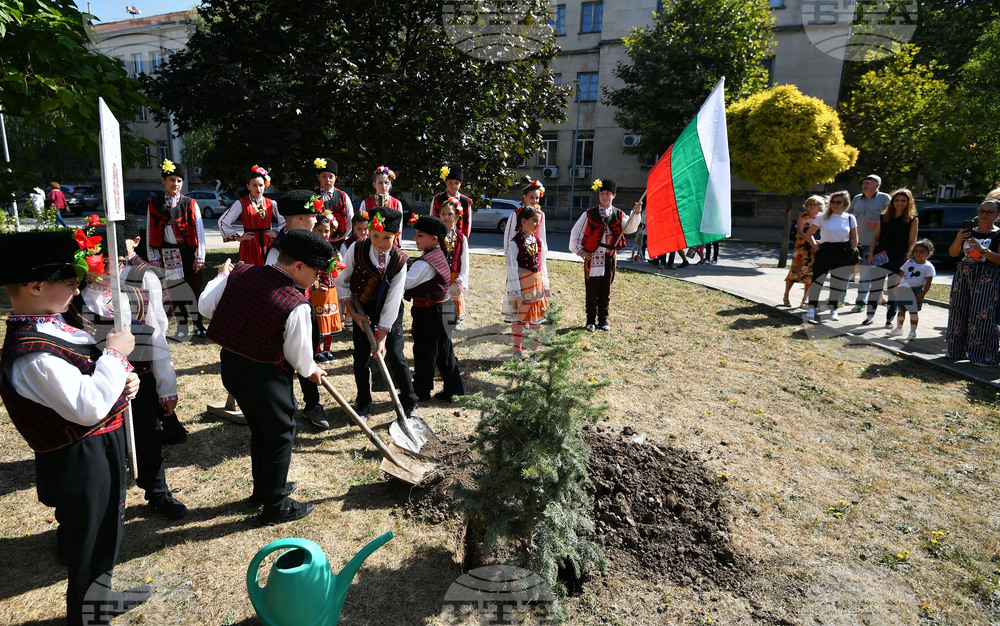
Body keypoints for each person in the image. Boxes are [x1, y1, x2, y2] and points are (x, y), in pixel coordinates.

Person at [0, 231, 148, 626]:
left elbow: (95, 378)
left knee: (105, 532)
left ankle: (99, 599)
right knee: (92, 539)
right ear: (35, 286)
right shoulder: (33, 355)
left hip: (95, 446)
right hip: (79, 456)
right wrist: (116, 355)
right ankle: (88, 616)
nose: (77, 287)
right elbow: (88, 406)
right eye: (70, 280)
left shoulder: (53, 325)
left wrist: (123, 379)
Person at [199, 229, 333, 524]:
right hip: (266, 378)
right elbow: (299, 357)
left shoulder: (241, 273)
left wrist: (221, 276)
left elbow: (205, 307)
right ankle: (276, 505)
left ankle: (265, 490)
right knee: (280, 434)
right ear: (298, 266)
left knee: (261, 430)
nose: (319, 279)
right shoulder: (295, 304)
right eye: (316, 272)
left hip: (233, 370)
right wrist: (312, 371)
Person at [67, 221, 187, 521]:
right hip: (96, 386)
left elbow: (157, 338)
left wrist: (166, 385)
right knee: (103, 450)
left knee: (149, 438)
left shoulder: (136, 294)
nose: (115, 270)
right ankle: (104, 507)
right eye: (107, 263)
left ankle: (157, 491)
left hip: (141, 380)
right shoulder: (73, 302)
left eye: (120, 263)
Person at [334, 207, 420, 420]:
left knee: (395, 353)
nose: (380, 242)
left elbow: (393, 301)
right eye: (375, 236)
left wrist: (381, 338)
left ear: (397, 236)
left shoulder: (400, 261)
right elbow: (341, 280)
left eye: (387, 238)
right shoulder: (357, 248)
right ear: (369, 231)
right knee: (361, 357)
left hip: (389, 311)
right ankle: (363, 403)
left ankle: (409, 401)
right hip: (361, 308)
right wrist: (353, 314)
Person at [119, 213, 188, 445]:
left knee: (147, 399)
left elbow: (156, 325)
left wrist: (167, 385)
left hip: (141, 355)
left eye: (122, 240)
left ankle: (168, 427)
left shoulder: (144, 274)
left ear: (135, 241)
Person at [266, 189, 328, 429]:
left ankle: (312, 405)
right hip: (283, 310)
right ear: (301, 218)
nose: (316, 219)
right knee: (285, 359)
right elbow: (273, 280)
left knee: (307, 352)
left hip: (302, 305)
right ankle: (286, 407)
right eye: (313, 215)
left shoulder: (306, 239)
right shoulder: (279, 247)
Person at [568, 178, 641, 331]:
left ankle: (603, 320)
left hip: (609, 256)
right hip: (593, 256)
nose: (604, 196)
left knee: (605, 290)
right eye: (602, 193)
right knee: (592, 290)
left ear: (614, 195)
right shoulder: (589, 214)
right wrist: (579, 251)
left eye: (607, 193)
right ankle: (590, 320)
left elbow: (629, 229)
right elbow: (576, 232)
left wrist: (636, 213)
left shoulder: (618, 214)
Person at [405, 215, 464, 402]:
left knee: (424, 353)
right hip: (445, 308)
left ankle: (421, 390)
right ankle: (454, 389)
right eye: (415, 234)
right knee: (445, 352)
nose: (415, 238)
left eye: (420, 235)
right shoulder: (438, 254)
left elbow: (404, 283)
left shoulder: (425, 263)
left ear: (434, 239)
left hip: (430, 313)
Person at [146, 159, 207, 339]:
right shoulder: (155, 204)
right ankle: (182, 326)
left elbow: (199, 229)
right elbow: (151, 229)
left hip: (188, 252)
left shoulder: (190, 203)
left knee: (195, 289)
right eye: (172, 180)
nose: (176, 184)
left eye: (179, 180)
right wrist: (154, 258)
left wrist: (200, 256)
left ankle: (198, 324)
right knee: (176, 291)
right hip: (167, 252)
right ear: (163, 181)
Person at [946, 199, 1000, 366]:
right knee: (958, 310)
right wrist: (957, 239)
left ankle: (983, 356)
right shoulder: (968, 231)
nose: (984, 215)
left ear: (997, 215)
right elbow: (953, 253)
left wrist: (982, 249)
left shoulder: (998, 234)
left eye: (989, 212)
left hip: (987, 275)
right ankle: (956, 350)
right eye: (981, 211)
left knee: (981, 314)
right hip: (964, 273)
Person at [863, 188, 919, 326]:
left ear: (909, 202)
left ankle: (889, 319)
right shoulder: (883, 217)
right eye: (897, 200)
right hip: (880, 256)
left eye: (903, 201)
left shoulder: (912, 220)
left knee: (893, 290)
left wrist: (910, 258)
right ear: (892, 202)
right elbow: (876, 236)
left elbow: (913, 241)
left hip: (899, 258)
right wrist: (870, 254)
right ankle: (869, 316)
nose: (899, 203)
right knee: (875, 288)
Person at [503, 207, 550, 359]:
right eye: (534, 221)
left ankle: (534, 351)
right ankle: (517, 350)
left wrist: (545, 285)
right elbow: (511, 268)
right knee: (518, 318)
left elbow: (542, 264)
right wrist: (516, 291)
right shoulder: (514, 243)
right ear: (523, 221)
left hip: (536, 285)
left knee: (536, 319)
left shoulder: (538, 241)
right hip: (521, 285)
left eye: (538, 221)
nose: (537, 224)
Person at [804, 190, 858, 322]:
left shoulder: (850, 218)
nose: (835, 204)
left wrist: (852, 251)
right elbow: (809, 234)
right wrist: (817, 248)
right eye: (833, 202)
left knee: (837, 282)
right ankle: (812, 308)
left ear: (845, 203)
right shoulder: (823, 217)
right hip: (825, 250)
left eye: (838, 202)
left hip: (842, 251)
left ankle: (833, 309)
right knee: (818, 280)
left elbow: (854, 237)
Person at [218, 166, 284, 266]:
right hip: (250, 243)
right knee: (251, 272)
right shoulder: (241, 203)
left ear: (265, 185)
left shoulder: (271, 203)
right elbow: (223, 221)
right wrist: (238, 237)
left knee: (270, 271)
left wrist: (277, 234)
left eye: (261, 185)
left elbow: (284, 220)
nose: (258, 188)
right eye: (254, 185)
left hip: (268, 243)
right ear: (248, 186)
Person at [849, 174, 892, 312]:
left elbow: (891, 219)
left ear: (877, 185)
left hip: (874, 245)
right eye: (864, 181)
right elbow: (849, 216)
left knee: (866, 275)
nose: (865, 183)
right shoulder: (856, 198)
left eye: (869, 181)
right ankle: (839, 299)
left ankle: (860, 303)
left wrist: (876, 223)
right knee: (851, 272)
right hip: (855, 243)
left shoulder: (884, 198)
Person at [311, 214, 344, 363]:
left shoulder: (331, 248)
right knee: (318, 321)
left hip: (330, 288)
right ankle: (317, 351)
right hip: (317, 290)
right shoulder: (312, 249)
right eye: (320, 231)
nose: (324, 234)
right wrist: (316, 286)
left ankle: (327, 350)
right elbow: (310, 270)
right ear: (313, 230)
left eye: (327, 231)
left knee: (329, 319)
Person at [887, 239, 935, 341]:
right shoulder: (909, 262)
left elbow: (928, 282)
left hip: (916, 291)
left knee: (913, 312)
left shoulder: (928, 267)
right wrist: (896, 287)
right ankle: (899, 329)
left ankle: (912, 332)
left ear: (929, 253)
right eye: (916, 251)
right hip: (903, 290)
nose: (918, 254)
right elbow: (900, 275)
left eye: (922, 252)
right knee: (901, 310)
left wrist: (922, 294)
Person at [783, 195, 824, 308]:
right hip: (801, 249)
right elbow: (800, 232)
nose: (811, 206)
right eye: (810, 204)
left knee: (809, 275)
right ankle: (786, 295)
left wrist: (818, 243)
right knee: (794, 272)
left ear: (819, 206)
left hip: (815, 249)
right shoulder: (802, 216)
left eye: (814, 204)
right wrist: (813, 243)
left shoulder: (822, 218)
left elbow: (824, 233)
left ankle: (804, 300)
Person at [438, 197, 469, 328]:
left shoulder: (462, 238)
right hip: (440, 275)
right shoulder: (436, 236)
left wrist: (459, 281)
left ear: (457, 216)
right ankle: (440, 320)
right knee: (441, 298)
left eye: (450, 214)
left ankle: (454, 321)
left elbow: (465, 262)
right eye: (443, 213)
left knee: (454, 297)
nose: (446, 217)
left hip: (455, 275)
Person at [313, 157, 355, 248]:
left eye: (330, 177)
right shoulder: (312, 196)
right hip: (316, 242)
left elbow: (350, 220)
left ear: (335, 178)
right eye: (324, 176)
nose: (327, 180)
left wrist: (342, 237)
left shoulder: (343, 196)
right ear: (318, 177)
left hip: (339, 243)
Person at [431, 162, 473, 239]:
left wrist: (464, 240)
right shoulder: (438, 198)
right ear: (445, 182)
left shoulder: (466, 201)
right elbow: (433, 219)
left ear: (461, 183)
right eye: (450, 182)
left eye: (456, 183)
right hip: (440, 237)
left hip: (458, 238)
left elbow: (467, 224)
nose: (453, 186)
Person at [503, 180, 548, 249]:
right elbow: (509, 236)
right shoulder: (516, 214)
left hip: (533, 250)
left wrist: (542, 254)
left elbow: (542, 236)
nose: (534, 200)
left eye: (537, 198)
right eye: (531, 197)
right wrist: (508, 253)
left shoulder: (541, 214)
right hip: (518, 249)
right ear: (525, 197)